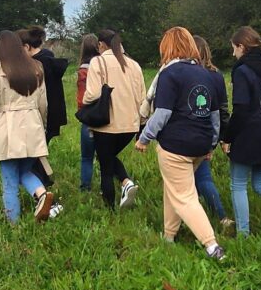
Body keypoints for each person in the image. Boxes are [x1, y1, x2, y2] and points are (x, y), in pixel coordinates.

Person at [136, 27, 227, 260]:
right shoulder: (206, 74)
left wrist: (144, 137)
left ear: (167, 48)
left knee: (184, 197)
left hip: (175, 146)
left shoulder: (169, 74)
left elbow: (162, 113)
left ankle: (212, 246)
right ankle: (169, 236)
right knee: (174, 189)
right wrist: (211, 144)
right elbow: (215, 115)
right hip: (201, 144)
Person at [0, 30, 56, 223]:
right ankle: (42, 194)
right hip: (33, 126)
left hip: (7, 129)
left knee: (9, 180)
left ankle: (14, 225)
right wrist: (42, 127)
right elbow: (43, 104)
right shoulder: (36, 67)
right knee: (24, 171)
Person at [220, 26, 261, 237]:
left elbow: (241, 109)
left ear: (242, 46)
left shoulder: (242, 70)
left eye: (234, 48)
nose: (233, 54)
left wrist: (228, 137)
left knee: (238, 184)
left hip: (247, 136)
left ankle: (243, 235)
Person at [83, 29, 146, 209]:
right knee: (108, 157)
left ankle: (110, 211)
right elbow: (142, 99)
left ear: (101, 44)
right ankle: (126, 182)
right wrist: (142, 125)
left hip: (106, 123)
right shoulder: (134, 65)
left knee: (106, 167)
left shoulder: (98, 62)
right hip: (130, 125)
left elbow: (92, 94)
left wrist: (85, 101)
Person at [18, 25, 68, 217]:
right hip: (54, 117)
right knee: (36, 157)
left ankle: (47, 200)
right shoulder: (50, 59)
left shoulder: (36, 65)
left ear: (27, 47)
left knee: (30, 163)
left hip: (41, 119)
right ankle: (46, 195)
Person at [191, 35, 234, 231]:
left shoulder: (189, 74)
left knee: (201, 177)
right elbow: (222, 109)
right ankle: (206, 214)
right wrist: (221, 138)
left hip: (191, 131)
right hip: (209, 132)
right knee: (200, 176)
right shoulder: (216, 75)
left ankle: (220, 216)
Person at [75, 34, 100, 192]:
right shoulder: (104, 67)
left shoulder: (83, 70)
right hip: (106, 116)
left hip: (89, 117)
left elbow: (81, 99)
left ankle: (85, 188)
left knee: (86, 157)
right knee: (107, 155)